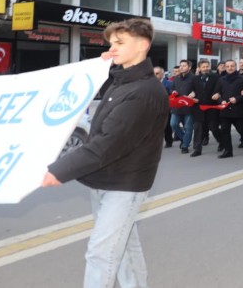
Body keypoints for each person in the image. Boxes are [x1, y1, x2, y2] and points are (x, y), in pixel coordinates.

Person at [43, 18, 168, 288]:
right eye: (111, 43)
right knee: (123, 248)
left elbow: (106, 144)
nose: (113, 48)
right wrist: (100, 67)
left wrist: (59, 170)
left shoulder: (144, 92)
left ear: (143, 46)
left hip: (124, 184)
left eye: (120, 43)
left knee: (102, 254)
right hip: (105, 179)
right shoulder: (122, 81)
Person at [212, 60, 243, 158]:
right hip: (225, 110)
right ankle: (228, 151)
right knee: (225, 131)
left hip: (239, 109)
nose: (230, 68)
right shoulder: (221, 79)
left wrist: (237, 99)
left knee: (242, 130)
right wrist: (220, 100)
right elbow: (216, 93)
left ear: (235, 67)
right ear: (225, 67)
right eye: (228, 66)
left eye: (232, 66)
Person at [190, 60, 220, 157]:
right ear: (199, 68)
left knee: (213, 128)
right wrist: (192, 95)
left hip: (211, 107)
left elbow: (219, 89)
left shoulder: (215, 77)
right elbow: (192, 90)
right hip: (198, 107)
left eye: (207, 66)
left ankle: (222, 142)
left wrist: (218, 94)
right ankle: (197, 149)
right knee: (198, 128)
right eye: (203, 67)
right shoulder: (195, 79)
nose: (206, 68)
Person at [170, 60, 196, 154]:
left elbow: (199, 89)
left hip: (188, 106)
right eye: (180, 65)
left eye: (184, 66)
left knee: (188, 127)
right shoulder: (176, 78)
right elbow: (172, 88)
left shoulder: (194, 78)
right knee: (173, 124)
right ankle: (184, 138)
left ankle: (185, 145)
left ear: (189, 67)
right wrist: (173, 92)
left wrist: (194, 93)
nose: (181, 67)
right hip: (177, 106)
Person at [154, 66, 176, 148]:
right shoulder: (150, 84)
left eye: (157, 73)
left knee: (166, 126)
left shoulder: (169, 84)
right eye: (153, 74)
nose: (155, 75)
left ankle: (168, 141)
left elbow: (172, 95)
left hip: (166, 108)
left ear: (162, 74)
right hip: (154, 108)